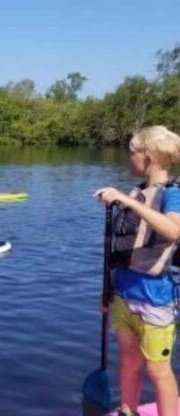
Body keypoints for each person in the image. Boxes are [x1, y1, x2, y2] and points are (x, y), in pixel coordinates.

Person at [95, 126, 180, 416]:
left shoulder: (173, 194)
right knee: (129, 361)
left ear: (149, 157)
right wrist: (106, 292)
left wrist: (128, 201)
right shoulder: (138, 193)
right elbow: (119, 251)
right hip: (123, 294)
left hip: (155, 298)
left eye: (132, 153)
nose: (128, 159)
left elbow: (172, 230)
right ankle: (127, 412)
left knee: (158, 370)